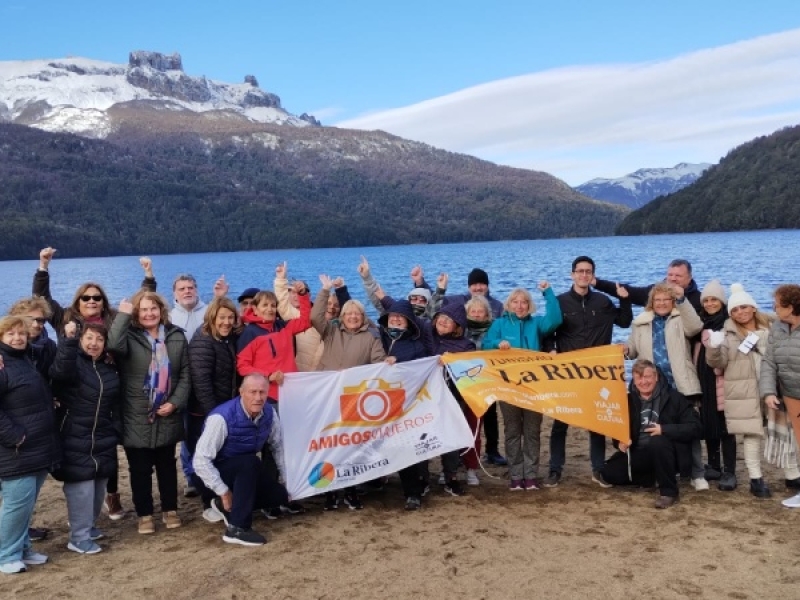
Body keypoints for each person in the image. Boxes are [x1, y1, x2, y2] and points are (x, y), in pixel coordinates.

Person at [33, 249, 154, 520]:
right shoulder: (65, 317)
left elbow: (141, 305)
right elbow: (41, 300)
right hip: (78, 387)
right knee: (81, 440)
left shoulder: (112, 317)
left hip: (109, 382)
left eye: (96, 297)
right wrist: (43, 266)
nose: (91, 301)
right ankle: (82, 501)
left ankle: (111, 495)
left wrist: (148, 277)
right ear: (79, 300)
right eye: (86, 297)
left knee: (107, 441)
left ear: (102, 301)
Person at [543, 256, 632, 488]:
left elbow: (624, 321)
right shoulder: (560, 302)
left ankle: (598, 469)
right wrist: (551, 349)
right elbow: (547, 332)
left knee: (598, 421)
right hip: (568, 372)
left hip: (597, 372)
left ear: (592, 275)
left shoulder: (603, 301)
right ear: (572, 274)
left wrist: (624, 300)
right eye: (580, 271)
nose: (583, 275)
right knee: (561, 421)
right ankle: (555, 468)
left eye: (588, 272)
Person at [107, 290, 190, 534]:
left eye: (153, 308)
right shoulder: (129, 337)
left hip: (168, 411)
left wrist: (175, 402)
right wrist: (122, 317)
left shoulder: (175, 336)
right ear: (136, 313)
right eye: (143, 309)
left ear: (161, 310)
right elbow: (112, 345)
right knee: (139, 468)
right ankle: (144, 514)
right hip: (136, 413)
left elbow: (185, 374)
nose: (149, 313)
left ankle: (170, 509)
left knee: (167, 465)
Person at [706, 283, 800, 498]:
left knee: (784, 431)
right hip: (743, 391)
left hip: (774, 387)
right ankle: (756, 479)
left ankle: (792, 473)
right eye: (735, 310)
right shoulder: (727, 334)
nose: (741, 312)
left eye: (744, 307)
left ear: (753, 307)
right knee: (752, 435)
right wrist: (713, 347)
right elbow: (717, 364)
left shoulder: (773, 326)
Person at [312, 275, 390, 510]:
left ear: (362, 316)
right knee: (328, 443)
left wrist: (388, 362)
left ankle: (351, 490)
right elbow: (314, 317)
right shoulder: (331, 332)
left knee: (352, 445)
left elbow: (379, 361)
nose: (353, 317)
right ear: (342, 317)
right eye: (348, 314)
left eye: (357, 313)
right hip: (328, 396)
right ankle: (329, 491)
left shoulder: (371, 336)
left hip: (355, 398)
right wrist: (325, 291)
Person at [193, 374, 297, 546]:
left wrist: (288, 480)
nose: (258, 397)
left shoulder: (269, 413)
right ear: (241, 392)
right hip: (211, 476)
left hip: (244, 472)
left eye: (262, 392)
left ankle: (227, 507)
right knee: (249, 462)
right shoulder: (221, 417)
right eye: (252, 392)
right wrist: (223, 491)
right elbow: (200, 461)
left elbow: (277, 446)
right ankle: (237, 528)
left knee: (281, 495)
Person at [623, 282, 707, 490]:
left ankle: (697, 473)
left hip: (679, 381)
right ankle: (666, 470)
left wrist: (682, 300)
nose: (661, 303)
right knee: (658, 429)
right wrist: (624, 348)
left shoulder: (680, 318)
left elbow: (696, 327)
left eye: (665, 300)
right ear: (651, 303)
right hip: (651, 384)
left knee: (688, 427)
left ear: (672, 301)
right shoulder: (640, 322)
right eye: (657, 300)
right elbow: (632, 350)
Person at [49, 321, 120, 554]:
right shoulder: (72, 363)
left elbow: (113, 402)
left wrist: (115, 429)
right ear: (81, 340)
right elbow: (59, 373)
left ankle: (88, 527)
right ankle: (78, 538)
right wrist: (68, 341)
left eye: (99, 339)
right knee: (81, 487)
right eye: (89, 338)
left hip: (102, 434)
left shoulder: (108, 368)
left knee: (99, 485)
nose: (94, 343)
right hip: (74, 434)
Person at [484, 283, 562, 490]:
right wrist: (496, 344)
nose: (519, 306)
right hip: (507, 387)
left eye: (524, 302)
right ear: (509, 305)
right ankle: (516, 475)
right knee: (512, 430)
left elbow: (555, 320)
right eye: (515, 302)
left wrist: (548, 292)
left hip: (533, 387)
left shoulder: (536, 324)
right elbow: (485, 344)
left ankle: (531, 475)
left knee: (532, 431)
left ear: (529, 305)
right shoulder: (499, 323)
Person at [0, 316, 59, 574]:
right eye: (10, 334)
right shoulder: (2, 365)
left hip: (38, 446)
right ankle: (6, 555)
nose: (17, 338)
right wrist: (13, 435)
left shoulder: (24, 358)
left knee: (26, 504)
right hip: (16, 450)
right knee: (15, 505)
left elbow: (47, 348)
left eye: (20, 333)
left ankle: (23, 548)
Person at [601, 359, 702, 509]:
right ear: (634, 381)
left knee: (657, 441)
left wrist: (664, 429)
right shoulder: (628, 401)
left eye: (647, 377)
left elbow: (696, 428)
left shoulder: (675, 398)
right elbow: (618, 428)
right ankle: (651, 477)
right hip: (639, 451)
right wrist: (620, 442)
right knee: (607, 474)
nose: (643, 382)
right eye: (639, 378)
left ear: (656, 377)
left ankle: (668, 492)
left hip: (669, 452)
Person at [187, 297, 242, 523]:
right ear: (212, 317)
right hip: (205, 413)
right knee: (204, 457)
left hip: (224, 408)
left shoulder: (227, 340)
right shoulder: (203, 340)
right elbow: (201, 382)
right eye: (222, 317)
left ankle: (221, 498)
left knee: (222, 456)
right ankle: (208, 501)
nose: (226, 322)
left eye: (230, 317)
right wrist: (215, 416)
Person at [236, 282, 312, 404]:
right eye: (265, 305)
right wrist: (268, 375)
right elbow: (243, 367)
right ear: (255, 309)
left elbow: (306, 321)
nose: (270, 309)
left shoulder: (283, 327)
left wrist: (302, 295)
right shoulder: (250, 333)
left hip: (290, 391)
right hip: (267, 396)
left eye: (273, 305)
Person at [694, 280, 737, 489]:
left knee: (726, 427)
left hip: (723, 381)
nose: (710, 303)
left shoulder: (729, 325)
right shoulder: (700, 324)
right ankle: (713, 465)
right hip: (704, 381)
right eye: (707, 300)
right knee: (709, 421)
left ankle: (729, 471)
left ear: (722, 302)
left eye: (714, 300)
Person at [760, 284, 800, 508]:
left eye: (777, 303)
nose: (773, 307)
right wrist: (768, 392)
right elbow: (769, 361)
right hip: (790, 395)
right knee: (797, 444)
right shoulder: (778, 327)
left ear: (791, 307)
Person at [463, 295, 506, 466]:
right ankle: (465, 451)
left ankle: (492, 451)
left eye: (480, 311)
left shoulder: (494, 328)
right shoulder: (462, 329)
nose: (476, 314)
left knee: (490, 416)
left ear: (487, 314)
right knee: (467, 416)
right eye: (473, 311)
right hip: (466, 379)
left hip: (488, 378)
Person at [594, 258, 702, 313]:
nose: (673, 279)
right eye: (670, 275)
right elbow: (629, 291)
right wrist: (598, 283)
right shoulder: (654, 292)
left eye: (678, 275)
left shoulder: (700, 299)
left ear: (689, 277)